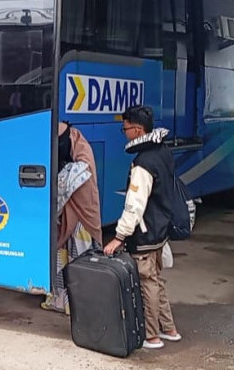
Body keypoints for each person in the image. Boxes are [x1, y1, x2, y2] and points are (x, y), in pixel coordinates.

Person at [103, 105, 181, 350]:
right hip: (160, 230)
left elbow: (134, 205)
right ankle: (169, 329)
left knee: (146, 283)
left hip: (146, 233)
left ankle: (152, 336)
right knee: (156, 280)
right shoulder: (162, 151)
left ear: (137, 130)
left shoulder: (143, 163)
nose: (123, 132)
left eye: (125, 128)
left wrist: (119, 236)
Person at [41, 122, 103, 314]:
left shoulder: (81, 165)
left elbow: (71, 188)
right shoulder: (75, 151)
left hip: (82, 225)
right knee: (61, 263)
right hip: (66, 223)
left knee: (79, 264)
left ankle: (77, 303)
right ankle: (60, 300)